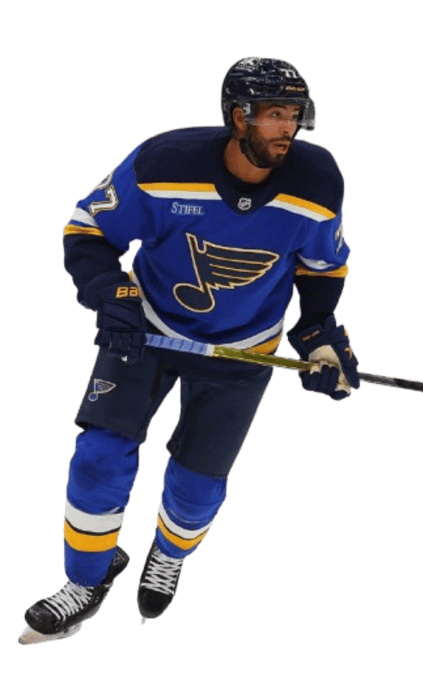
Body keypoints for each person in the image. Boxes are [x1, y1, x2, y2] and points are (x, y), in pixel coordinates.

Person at [17, 56, 359, 647]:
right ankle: (85, 580)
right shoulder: (164, 163)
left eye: (294, 115)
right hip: (147, 333)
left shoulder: (318, 179)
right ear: (238, 115)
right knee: (99, 458)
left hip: (244, 351)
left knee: (198, 487)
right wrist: (111, 294)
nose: (288, 128)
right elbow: (87, 230)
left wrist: (318, 333)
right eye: (274, 114)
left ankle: (168, 556)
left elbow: (323, 266)